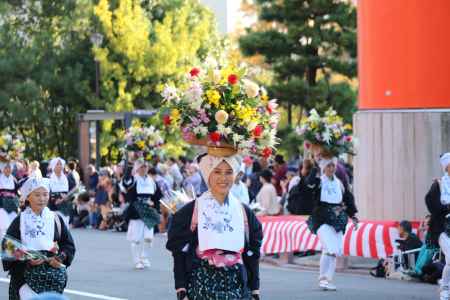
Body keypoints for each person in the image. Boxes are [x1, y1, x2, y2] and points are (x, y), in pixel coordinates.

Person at [166, 154, 263, 300]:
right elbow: (178, 250)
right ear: (208, 174)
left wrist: (255, 288)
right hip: (201, 285)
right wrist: (181, 287)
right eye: (217, 172)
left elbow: (253, 252)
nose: (223, 178)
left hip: (237, 286)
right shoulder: (192, 210)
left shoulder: (243, 211)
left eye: (229, 172)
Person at [1, 177, 75, 300]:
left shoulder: (55, 219)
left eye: (45, 194)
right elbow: (7, 246)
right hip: (25, 276)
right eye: (37, 195)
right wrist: (27, 260)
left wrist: (60, 258)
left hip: (52, 277)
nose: (42, 199)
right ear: (28, 197)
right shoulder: (20, 220)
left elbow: (68, 245)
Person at [307, 157, 358, 291]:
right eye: (328, 166)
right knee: (329, 247)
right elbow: (308, 184)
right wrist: (315, 167)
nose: (331, 168)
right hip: (321, 218)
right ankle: (323, 278)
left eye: (333, 166)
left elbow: (348, 199)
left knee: (335, 250)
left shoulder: (339, 183)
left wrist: (353, 215)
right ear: (323, 167)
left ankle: (328, 279)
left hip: (337, 219)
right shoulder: (319, 181)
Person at [122, 158, 161, 269]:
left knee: (149, 237)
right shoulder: (133, 179)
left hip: (149, 210)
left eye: (145, 167)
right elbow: (126, 183)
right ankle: (137, 261)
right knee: (136, 238)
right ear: (137, 168)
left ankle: (144, 258)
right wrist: (129, 166)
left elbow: (157, 197)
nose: (143, 169)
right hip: (137, 210)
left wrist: (157, 209)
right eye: (141, 167)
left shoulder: (151, 181)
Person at [425, 152, 450, 300]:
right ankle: (445, 288)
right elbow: (429, 201)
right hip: (442, 227)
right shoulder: (439, 184)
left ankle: (445, 285)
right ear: (446, 167)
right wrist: (445, 209)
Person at [48, 158, 74, 227]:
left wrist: (66, 197)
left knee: (65, 222)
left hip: (64, 203)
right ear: (53, 166)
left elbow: (70, 191)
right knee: (55, 224)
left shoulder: (65, 178)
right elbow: (49, 192)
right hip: (54, 204)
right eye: (57, 164)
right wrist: (56, 199)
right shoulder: (49, 178)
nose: (59, 166)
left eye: (60, 164)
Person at [0, 161, 19, 237]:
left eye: (9, 167)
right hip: (2, 208)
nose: (8, 169)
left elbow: (17, 193)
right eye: (6, 167)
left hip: (13, 208)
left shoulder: (14, 180)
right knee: (4, 227)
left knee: (13, 227)